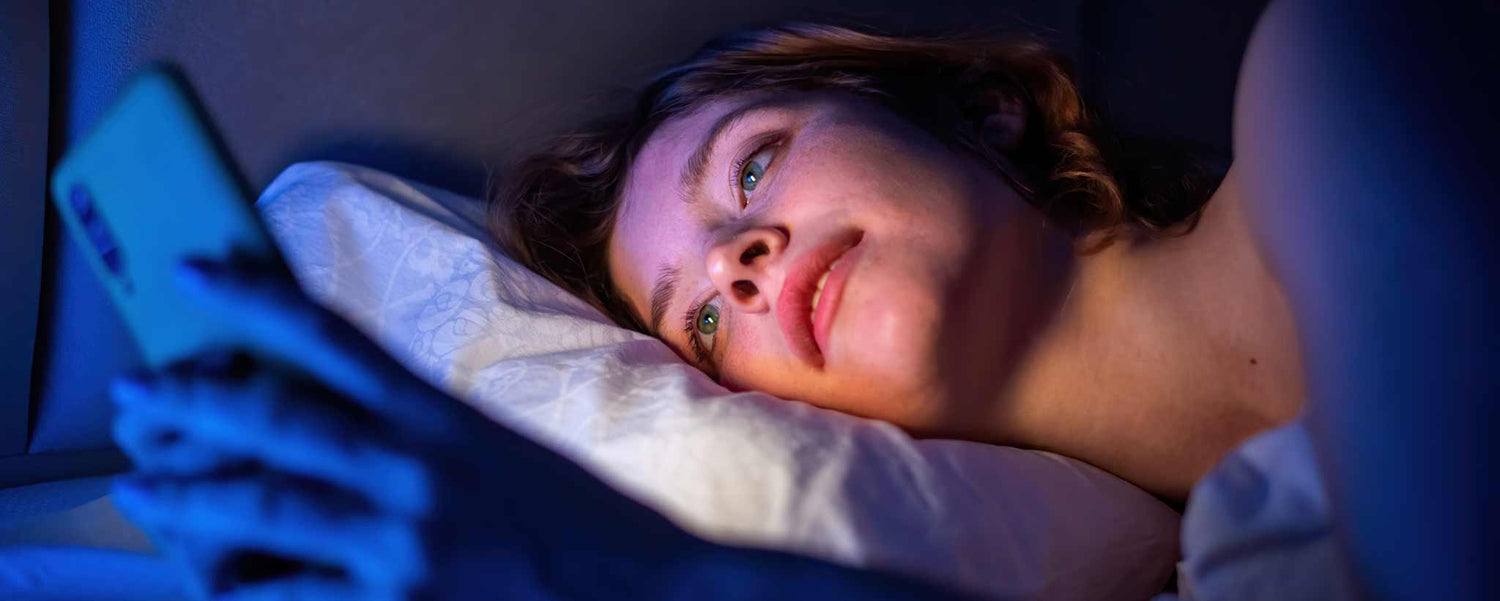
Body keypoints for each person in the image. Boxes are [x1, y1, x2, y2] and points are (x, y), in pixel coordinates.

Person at [109, 1, 1496, 600]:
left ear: (985, 106)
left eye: (754, 163)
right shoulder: (1214, 551)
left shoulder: (1329, 72)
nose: (736, 261)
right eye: (702, 323)